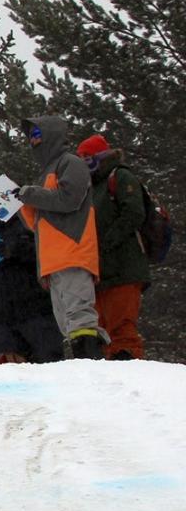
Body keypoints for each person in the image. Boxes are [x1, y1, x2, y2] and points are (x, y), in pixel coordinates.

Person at [15, 116, 104, 359]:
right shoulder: (45, 173)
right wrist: (22, 202)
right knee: (68, 322)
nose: (33, 141)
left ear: (52, 134)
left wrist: (30, 194)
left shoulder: (71, 163)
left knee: (79, 314)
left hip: (72, 251)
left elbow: (69, 199)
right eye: (31, 136)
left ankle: (93, 362)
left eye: (37, 135)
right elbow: (40, 224)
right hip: (53, 261)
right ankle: (92, 359)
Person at [79, 134, 151, 360]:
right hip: (102, 270)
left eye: (86, 158)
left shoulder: (120, 176)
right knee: (104, 329)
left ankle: (129, 370)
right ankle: (114, 373)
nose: (83, 164)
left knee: (122, 327)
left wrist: (106, 241)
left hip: (124, 267)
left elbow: (134, 213)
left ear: (100, 157)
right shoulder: (92, 188)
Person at [0, 219, 62, 365]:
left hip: (37, 310)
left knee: (48, 364)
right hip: (3, 313)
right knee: (1, 368)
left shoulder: (39, 225)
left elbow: (53, 254)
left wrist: (18, 249)